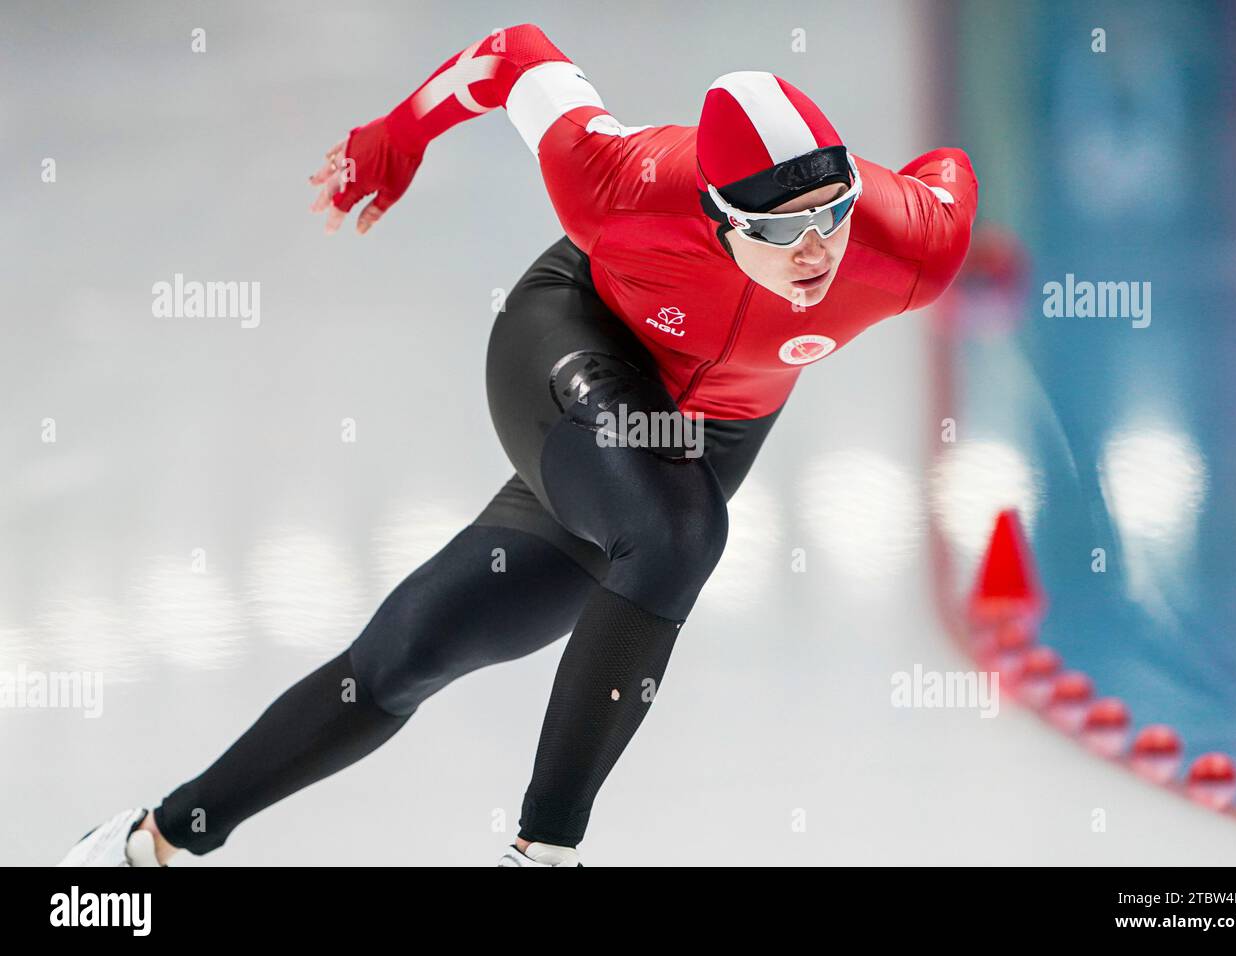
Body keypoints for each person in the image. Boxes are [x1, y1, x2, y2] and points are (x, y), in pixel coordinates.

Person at [58, 22, 977, 867]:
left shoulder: (909, 244)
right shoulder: (617, 182)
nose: (816, 251)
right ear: (715, 213)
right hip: (575, 348)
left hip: (707, 432)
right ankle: (543, 855)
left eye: (833, 213)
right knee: (676, 536)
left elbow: (950, 168)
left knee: (408, 654)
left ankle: (149, 844)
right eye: (780, 230)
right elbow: (516, 56)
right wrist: (401, 132)